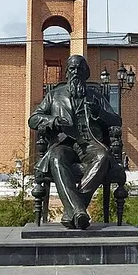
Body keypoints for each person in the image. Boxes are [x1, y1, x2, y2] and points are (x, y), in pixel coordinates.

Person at [28, 55, 122, 229]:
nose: (75, 72)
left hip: (90, 144)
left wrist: (100, 112)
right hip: (64, 143)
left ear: (86, 73)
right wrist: (53, 121)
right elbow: (33, 119)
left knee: (103, 156)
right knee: (56, 158)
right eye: (72, 69)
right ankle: (78, 209)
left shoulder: (96, 97)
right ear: (67, 73)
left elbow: (117, 121)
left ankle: (74, 210)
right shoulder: (54, 95)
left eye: (80, 69)